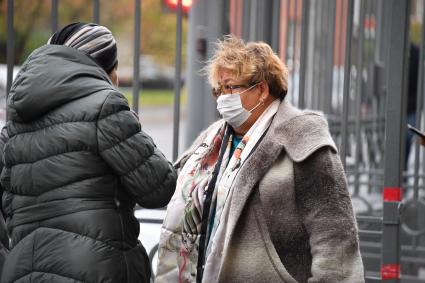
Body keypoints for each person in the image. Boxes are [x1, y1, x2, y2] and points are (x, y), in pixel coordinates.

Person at [156, 35, 364, 283]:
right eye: (219, 89)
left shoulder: (303, 139)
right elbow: (170, 187)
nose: (223, 97)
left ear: (262, 89)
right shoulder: (212, 140)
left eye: (231, 87)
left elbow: (335, 239)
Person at [0, 22, 177, 282]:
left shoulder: (15, 124)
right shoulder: (106, 105)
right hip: (97, 268)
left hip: (25, 270)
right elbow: (158, 186)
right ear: (107, 69)